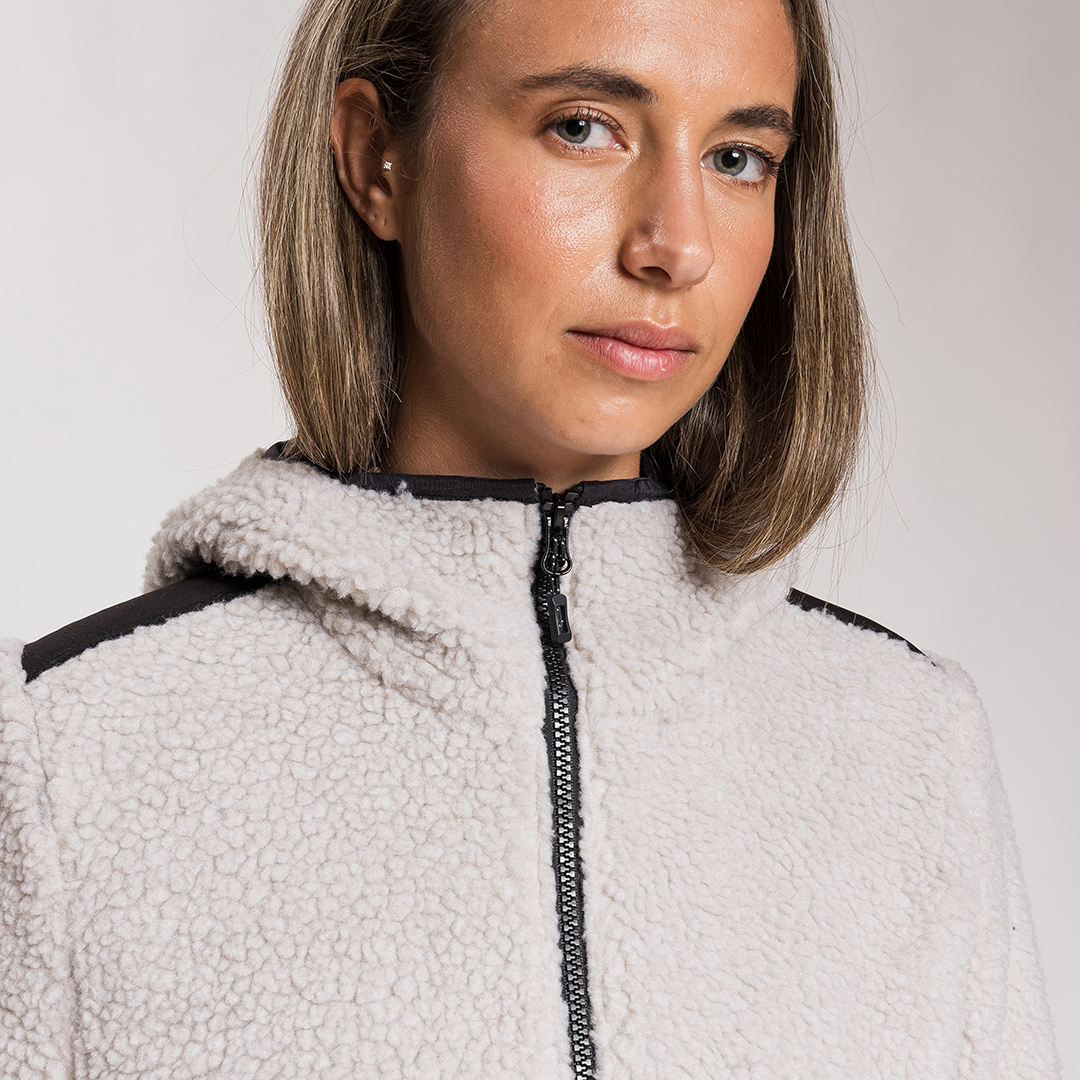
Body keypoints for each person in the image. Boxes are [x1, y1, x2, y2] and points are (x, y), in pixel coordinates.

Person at [0, 0, 1060, 1075]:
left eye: (738, 157)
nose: (678, 246)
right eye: (584, 127)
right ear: (375, 161)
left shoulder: (908, 749)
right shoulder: (66, 756)